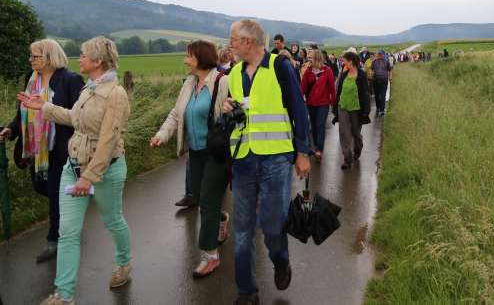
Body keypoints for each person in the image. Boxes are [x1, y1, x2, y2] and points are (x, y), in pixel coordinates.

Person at [18, 36, 131, 305]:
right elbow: (74, 118)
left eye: (82, 55)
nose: (77, 58)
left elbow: (108, 140)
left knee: (113, 221)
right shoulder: (89, 89)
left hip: (105, 170)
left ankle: (124, 262)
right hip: (73, 166)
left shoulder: (115, 94)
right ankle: (63, 295)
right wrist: (42, 106)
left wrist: (89, 177)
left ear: (97, 61)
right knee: (68, 232)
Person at [225, 19, 311, 305]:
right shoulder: (234, 73)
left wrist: (302, 152)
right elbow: (236, 112)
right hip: (243, 161)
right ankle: (246, 291)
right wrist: (228, 108)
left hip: (275, 159)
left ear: (248, 42)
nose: (230, 44)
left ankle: (281, 260)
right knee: (242, 231)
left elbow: (299, 109)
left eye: (233, 39)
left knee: (274, 226)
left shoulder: (279, 67)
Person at [150, 40, 231, 278]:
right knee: (198, 195)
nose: (185, 60)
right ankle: (221, 218)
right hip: (195, 152)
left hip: (216, 153)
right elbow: (176, 114)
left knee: (206, 202)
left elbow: (237, 111)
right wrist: (161, 135)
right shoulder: (189, 82)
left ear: (200, 58)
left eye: (188, 56)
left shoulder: (222, 82)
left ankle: (210, 256)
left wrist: (231, 109)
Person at [0, 39, 84, 263]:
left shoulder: (70, 80)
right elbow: (23, 111)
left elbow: (79, 117)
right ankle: (70, 214)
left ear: (49, 57)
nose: (31, 60)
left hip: (61, 147)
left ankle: (54, 239)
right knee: (41, 187)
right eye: (31, 56)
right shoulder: (32, 79)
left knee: (57, 194)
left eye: (35, 56)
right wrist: (11, 129)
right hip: (38, 149)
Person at [333, 51, 370, 169]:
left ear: (351, 62)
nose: (342, 63)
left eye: (344, 61)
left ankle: (358, 148)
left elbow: (365, 93)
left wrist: (366, 110)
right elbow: (338, 91)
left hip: (356, 109)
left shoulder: (362, 75)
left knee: (355, 133)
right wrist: (335, 107)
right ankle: (347, 159)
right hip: (342, 106)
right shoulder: (344, 74)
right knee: (344, 133)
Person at [301, 49, 336, 161]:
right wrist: (298, 100)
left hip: (323, 103)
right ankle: (316, 145)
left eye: (310, 57)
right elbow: (302, 88)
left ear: (316, 58)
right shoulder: (308, 71)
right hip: (310, 103)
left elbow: (332, 88)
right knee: (314, 127)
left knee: (320, 126)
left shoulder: (327, 71)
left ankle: (319, 150)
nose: (308, 59)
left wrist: (333, 102)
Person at [371, 50, 393, 116]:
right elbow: (372, 70)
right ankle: (378, 107)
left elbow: (390, 70)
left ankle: (382, 109)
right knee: (377, 95)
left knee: (383, 95)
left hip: (384, 81)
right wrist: (372, 76)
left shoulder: (386, 62)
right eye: (378, 54)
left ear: (383, 55)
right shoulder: (374, 62)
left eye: (380, 54)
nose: (379, 55)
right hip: (375, 80)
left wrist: (390, 77)